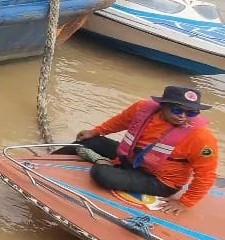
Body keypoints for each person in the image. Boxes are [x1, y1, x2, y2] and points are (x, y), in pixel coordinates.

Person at [57, 85, 218, 214]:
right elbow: (120, 121)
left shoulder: (201, 138)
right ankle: (35, 162)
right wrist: (96, 131)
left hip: (159, 181)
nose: (183, 116)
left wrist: (185, 203)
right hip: (131, 159)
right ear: (163, 106)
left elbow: (206, 175)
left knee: (101, 174)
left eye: (191, 112)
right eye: (177, 110)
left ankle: (107, 166)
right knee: (89, 141)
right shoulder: (142, 109)